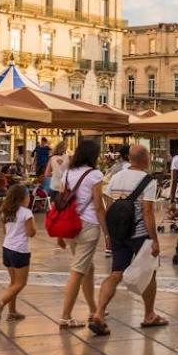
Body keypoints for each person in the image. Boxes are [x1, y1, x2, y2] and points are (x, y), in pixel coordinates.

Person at [91, 144, 166, 335]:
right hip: (139, 234)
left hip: (118, 233)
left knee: (116, 273)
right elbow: (148, 212)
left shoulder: (116, 177)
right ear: (144, 160)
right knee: (149, 274)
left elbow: (108, 206)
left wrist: (109, 234)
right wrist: (155, 239)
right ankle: (149, 315)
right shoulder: (148, 180)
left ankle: (99, 313)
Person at [57, 139, 106, 329]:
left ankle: (93, 308)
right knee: (78, 271)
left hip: (70, 225)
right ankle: (65, 316)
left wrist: (60, 232)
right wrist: (107, 233)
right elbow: (98, 206)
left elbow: (60, 203)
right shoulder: (95, 175)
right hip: (88, 225)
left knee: (88, 267)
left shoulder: (67, 173)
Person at [0, 184, 35, 324]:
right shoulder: (26, 213)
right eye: (28, 196)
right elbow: (31, 233)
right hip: (20, 251)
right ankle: (1, 302)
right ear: (23, 198)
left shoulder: (6, 212)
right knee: (20, 283)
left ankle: (12, 312)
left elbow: (5, 232)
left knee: (13, 282)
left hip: (7, 249)